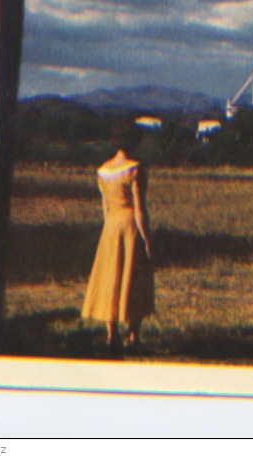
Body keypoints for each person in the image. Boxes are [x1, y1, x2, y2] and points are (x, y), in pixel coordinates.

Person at [81, 121, 155, 350]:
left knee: (110, 278)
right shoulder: (135, 168)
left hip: (111, 226)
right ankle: (132, 336)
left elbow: (105, 209)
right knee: (135, 279)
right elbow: (139, 209)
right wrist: (147, 238)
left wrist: (109, 229)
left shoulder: (103, 170)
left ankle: (110, 334)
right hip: (130, 225)